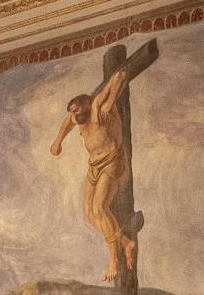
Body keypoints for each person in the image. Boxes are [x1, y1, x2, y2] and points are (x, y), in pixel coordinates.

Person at [48, 64, 142, 282]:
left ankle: (114, 260)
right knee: (89, 214)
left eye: (76, 111)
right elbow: (67, 123)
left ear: (87, 106)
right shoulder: (78, 119)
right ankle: (125, 242)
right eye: (71, 112)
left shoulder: (100, 109)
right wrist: (58, 141)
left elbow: (120, 75)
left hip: (112, 163)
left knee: (100, 208)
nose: (73, 116)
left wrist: (108, 102)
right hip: (94, 167)